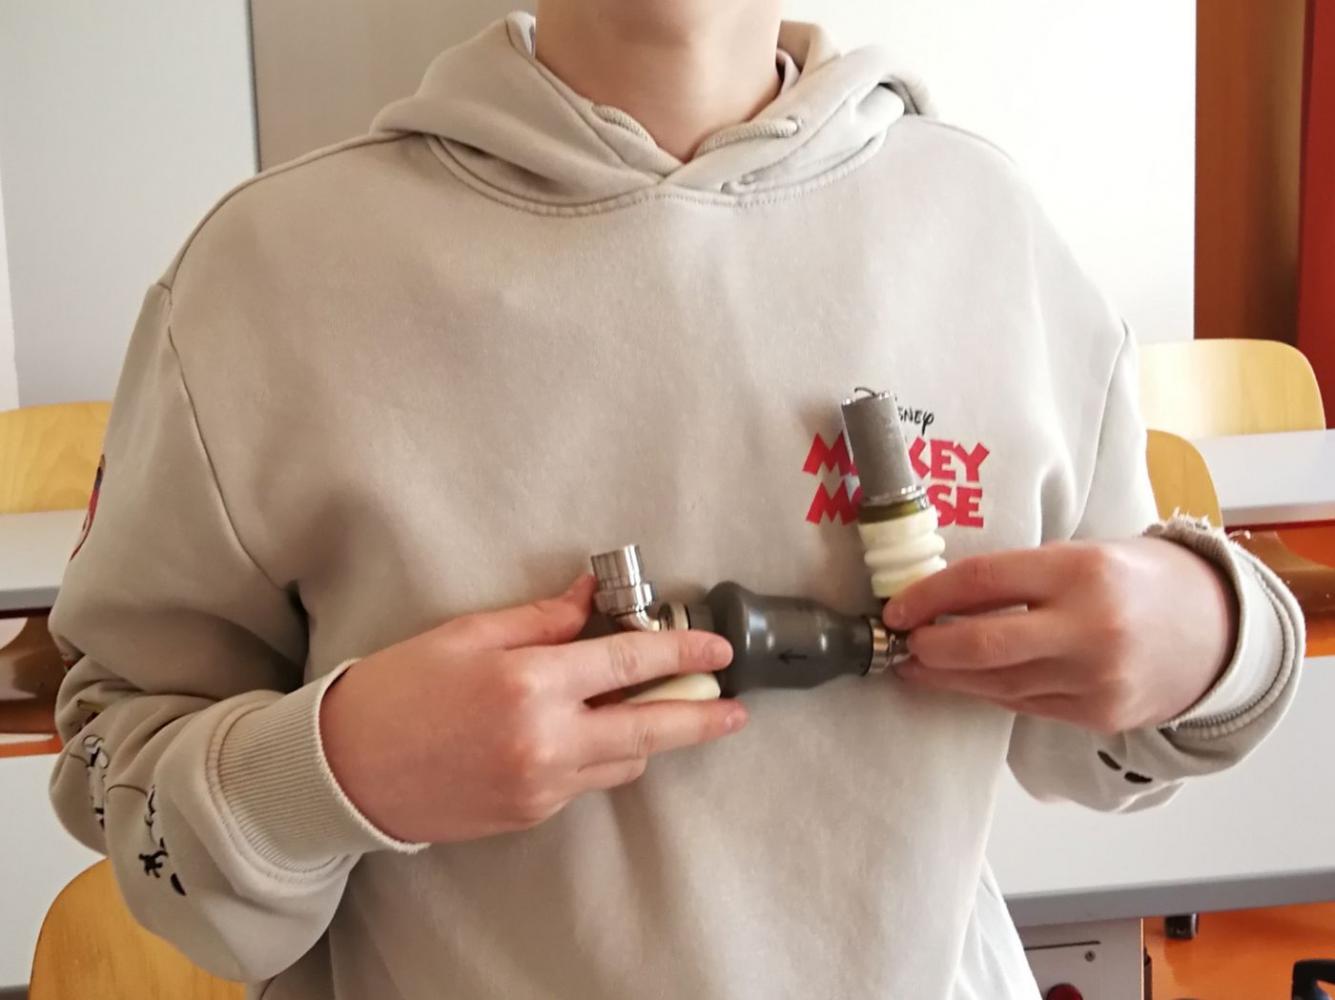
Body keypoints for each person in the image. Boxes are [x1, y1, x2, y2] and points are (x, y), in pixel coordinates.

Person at [49, 2, 1304, 998]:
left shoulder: (998, 238)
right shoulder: (264, 279)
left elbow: (1101, 742)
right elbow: (113, 758)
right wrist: (343, 766)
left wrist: (1219, 631)